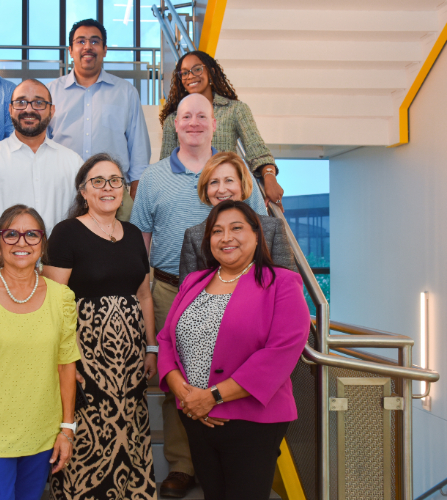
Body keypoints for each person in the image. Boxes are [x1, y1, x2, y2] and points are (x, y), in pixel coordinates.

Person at [130, 93, 266, 498]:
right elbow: (142, 240)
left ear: (213, 122)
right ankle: (183, 464)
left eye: (201, 116)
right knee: (180, 381)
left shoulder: (233, 172)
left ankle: (225, 457)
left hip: (237, 290)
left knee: (230, 371)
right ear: (174, 124)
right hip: (173, 288)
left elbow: (259, 230)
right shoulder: (154, 177)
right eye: (185, 116)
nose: (193, 122)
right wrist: (143, 292)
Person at [157, 200, 309, 500]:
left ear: (256, 235)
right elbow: (165, 340)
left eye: (236, 228)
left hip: (251, 421)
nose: (226, 238)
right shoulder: (193, 281)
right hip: (196, 416)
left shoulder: (282, 282)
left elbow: (281, 351)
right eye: (217, 231)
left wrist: (212, 396)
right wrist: (185, 394)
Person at [45, 154, 158, 499]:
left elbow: (144, 296)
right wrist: (65, 359)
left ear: (124, 190)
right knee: (88, 431)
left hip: (129, 357)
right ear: (83, 190)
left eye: (115, 181)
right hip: (85, 355)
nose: (107, 188)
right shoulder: (66, 233)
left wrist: (150, 348)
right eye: (98, 181)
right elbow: (54, 300)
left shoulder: (135, 234)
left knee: (131, 428)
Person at [0, 205, 80, 500]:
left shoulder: (61, 298)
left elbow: (66, 366)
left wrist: (66, 429)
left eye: (31, 235)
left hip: (43, 432)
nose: (22, 242)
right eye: (11, 234)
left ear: (43, 242)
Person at [0, 79, 82, 278]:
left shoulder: (73, 162)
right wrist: (22, 272)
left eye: (38, 103)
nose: (29, 109)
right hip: (2, 282)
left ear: (51, 111)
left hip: (59, 282)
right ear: (10, 109)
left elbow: (79, 227)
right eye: (21, 102)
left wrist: (51, 273)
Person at [47, 18, 151, 221]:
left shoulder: (126, 92)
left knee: (112, 251)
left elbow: (139, 152)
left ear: (105, 49)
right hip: (64, 192)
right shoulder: (51, 92)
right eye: (80, 41)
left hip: (113, 194)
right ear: (70, 50)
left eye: (95, 41)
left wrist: (135, 203)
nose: (87, 47)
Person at [159, 50, 285, 210]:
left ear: (211, 72)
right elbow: (165, 163)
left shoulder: (235, 110)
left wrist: (269, 178)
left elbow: (257, 150)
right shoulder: (174, 119)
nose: (190, 76)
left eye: (197, 69)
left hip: (226, 197)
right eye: (184, 73)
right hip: (186, 199)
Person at [180, 152, 296, 282]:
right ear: (206, 190)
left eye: (229, 180)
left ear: (242, 185)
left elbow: (289, 284)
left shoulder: (272, 228)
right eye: (214, 182)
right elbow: (187, 292)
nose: (222, 189)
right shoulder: (193, 236)